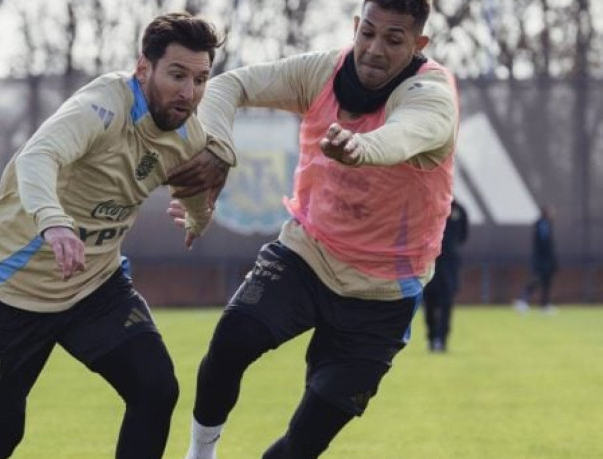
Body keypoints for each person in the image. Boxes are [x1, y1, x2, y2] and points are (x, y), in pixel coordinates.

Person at [0, 12, 229, 459]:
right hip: (10, 295)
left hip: (94, 288)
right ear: (144, 68)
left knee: (155, 389)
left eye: (200, 79)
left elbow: (193, 182)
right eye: (177, 75)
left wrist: (198, 217)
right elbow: (38, 156)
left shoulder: (189, 131)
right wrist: (54, 222)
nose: (188, 92)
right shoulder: (101, 107)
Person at [170, 1, 459, 457]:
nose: (374, 49)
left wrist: (360, 146)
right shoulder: (322, 71)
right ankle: (199, 454)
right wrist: (219, 148)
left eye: (393, 39)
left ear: (418, 44)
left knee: (302, 445)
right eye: (367, 33)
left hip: (382, 294)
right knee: (230, 343)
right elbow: (230, 84)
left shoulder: (432, 95)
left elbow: (405, 134)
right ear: (355, 28)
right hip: (308, 254)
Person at [422, 199, 468, 353]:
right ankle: (431, 337)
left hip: (449, 265)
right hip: (430, 263)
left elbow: (463, 236)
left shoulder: (459, 210)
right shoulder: (428, 206)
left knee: (447, 304)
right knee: (429, 303)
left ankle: (442, 340)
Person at [514, 206, 558, 314]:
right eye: (551, 212)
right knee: (536, 280)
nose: (553, 214)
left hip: (546, 259)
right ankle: (522, 301)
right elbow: (543, 243)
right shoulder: (542, 224)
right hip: (541, 260)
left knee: (547, 282)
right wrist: (546, 258)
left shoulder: (547, 224)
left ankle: (545, 305)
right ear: (545, 213)